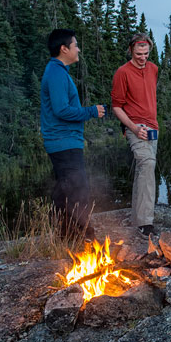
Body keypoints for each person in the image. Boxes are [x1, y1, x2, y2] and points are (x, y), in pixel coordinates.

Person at [40, 29, 105, 239]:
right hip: (63, 142)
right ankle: (82, 239)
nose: (78, 49)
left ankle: (68, 237)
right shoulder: (56, 73)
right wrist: (91, 111)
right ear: (64, 48)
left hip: (64, 142)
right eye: (75, 45)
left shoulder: (58, 72)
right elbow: (61, 110)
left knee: (66, 190)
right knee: (78, 191)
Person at [111, 33, 159, 236]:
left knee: (144, 169)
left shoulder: (154, 69)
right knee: (147, 163)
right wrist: (131, 127)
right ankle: (145, 222)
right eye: (139, 53)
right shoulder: (122, 73)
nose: (142, 57)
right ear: (131, 50)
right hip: (135, 126)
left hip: (153, 127)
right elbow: (116, 106)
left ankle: (138, 217)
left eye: (146, 53)